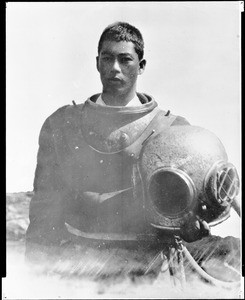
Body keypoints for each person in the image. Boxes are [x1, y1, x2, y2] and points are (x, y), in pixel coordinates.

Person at [25, 22, 239, 281]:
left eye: (125, 59)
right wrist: (35, 277)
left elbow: (193, 214)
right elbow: (43, 212)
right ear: (97, 63)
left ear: (141, 65)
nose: (114, 68)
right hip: (80, 264)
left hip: (151, 265)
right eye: (107, 58)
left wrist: (194, 228)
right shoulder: (62, 125)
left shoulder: (173, 131)